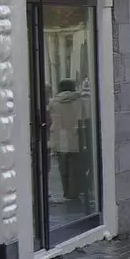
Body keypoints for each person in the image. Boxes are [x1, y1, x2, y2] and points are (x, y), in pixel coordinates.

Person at [48, 78, 90, 206]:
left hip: (61, 137)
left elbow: (52, 120)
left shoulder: (54, 102)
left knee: (63, 167)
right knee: (77, 166)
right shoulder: (80, 100)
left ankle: (66, 191)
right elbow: (85, 117)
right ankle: (75, 191)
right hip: (76, 136)